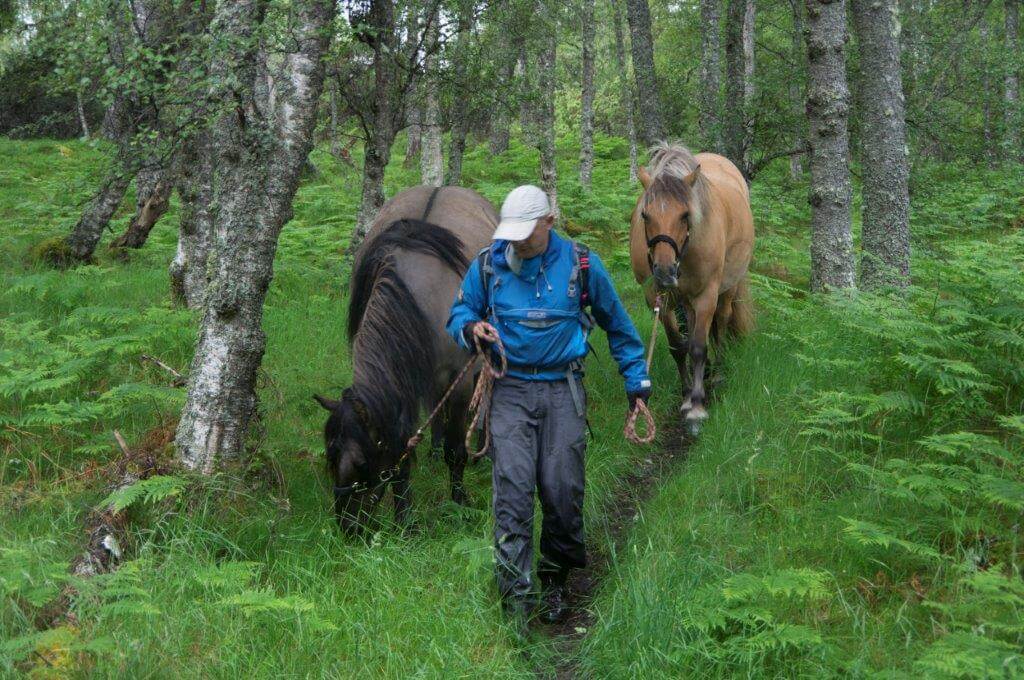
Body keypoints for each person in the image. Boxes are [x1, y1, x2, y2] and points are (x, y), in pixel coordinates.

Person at [446, 185, 652, 625]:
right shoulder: (488, 265)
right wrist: (472, 330)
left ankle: (555, 581)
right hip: (509, 392)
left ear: (549, 222)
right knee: (513, 493)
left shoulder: (581, 264)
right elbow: (458, 314)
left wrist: (636, 380)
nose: (518, 241)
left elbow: (617, 323)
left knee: (562, 491)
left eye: (528, 232)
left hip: (563, 390)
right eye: (512, 233)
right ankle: (516, 598)